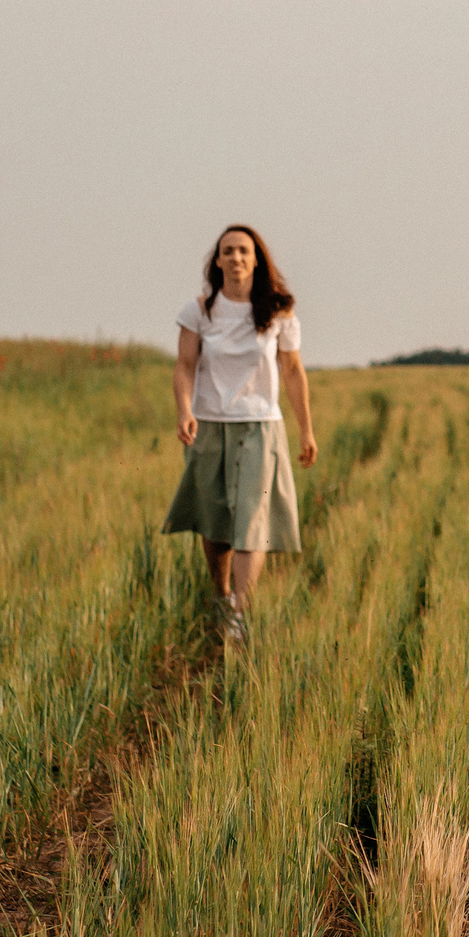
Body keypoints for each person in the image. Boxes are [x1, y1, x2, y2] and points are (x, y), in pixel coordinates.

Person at [164, 224, 317, 641]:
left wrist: (306, 429)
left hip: (261, 425)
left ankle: (241, 612)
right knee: (214, 523)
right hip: (209, 424)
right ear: (217, 261)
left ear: (257, 258)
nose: (235, 258)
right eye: (227, 251)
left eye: (243, 251)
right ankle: (221, 596)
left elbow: (292, 370)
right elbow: (184, 365)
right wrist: (184, 410)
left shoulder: (279, 311)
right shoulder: (198, 311)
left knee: (253, 520)